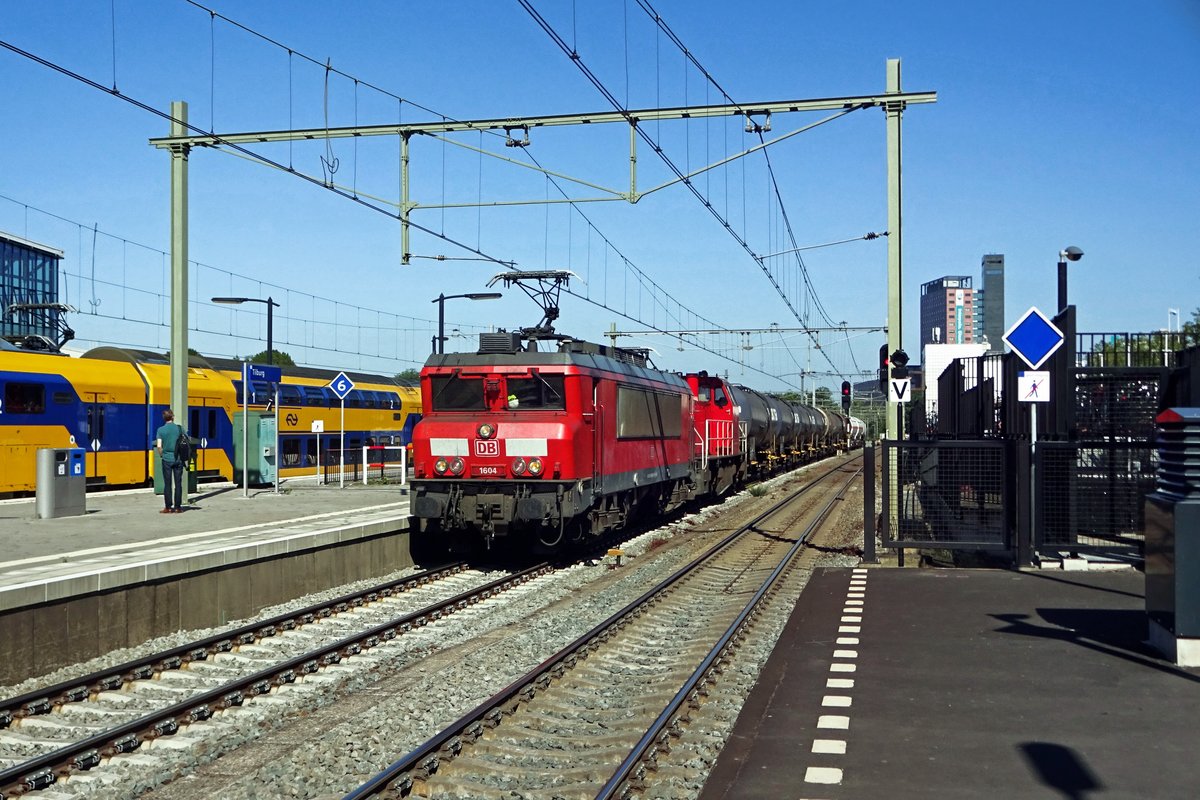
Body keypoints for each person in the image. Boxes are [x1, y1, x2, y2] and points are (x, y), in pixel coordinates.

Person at [155, 408, 185, 514]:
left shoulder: (160, 430)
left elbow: (159, 446)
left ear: (164, 418)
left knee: (167, 484)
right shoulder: (180, 429)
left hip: (166, 460)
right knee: (178, 483)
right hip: (178, 459)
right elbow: (185, 441)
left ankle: (168, 507)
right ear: (173, 417)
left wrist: (162, 455)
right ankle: (178, 507)